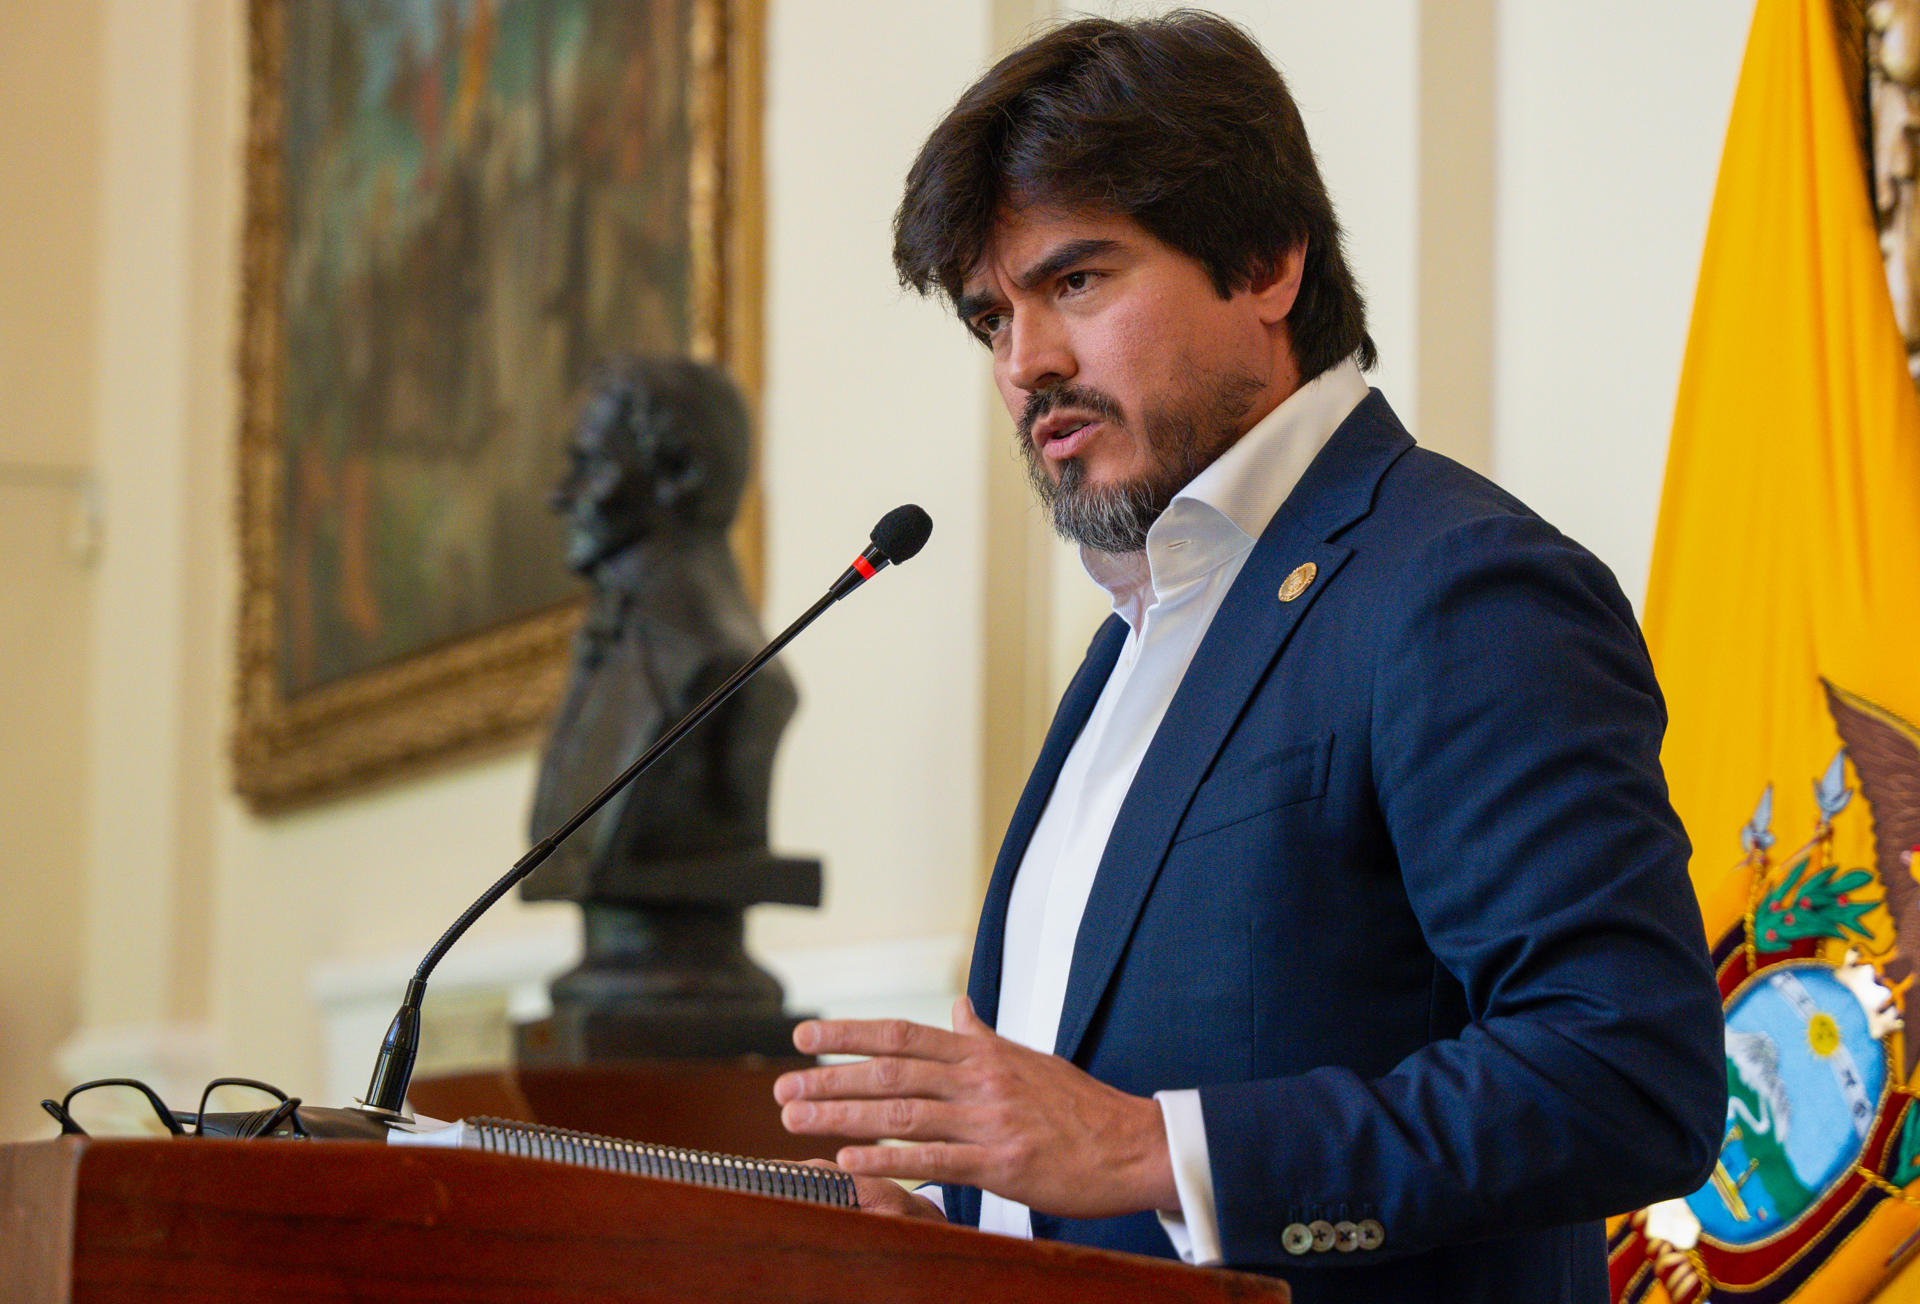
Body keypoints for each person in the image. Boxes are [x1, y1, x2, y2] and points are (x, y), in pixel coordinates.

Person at [774, 13, 1726, 1301]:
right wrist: (956, 1223)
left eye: (1077, 280)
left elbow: (1624, 1074)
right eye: (991, 317)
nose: (1025, 364)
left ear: (1267, 262)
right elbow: (1076, 1154)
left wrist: (1146, 1145)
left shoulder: (1460, 588)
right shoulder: (1139, 635)